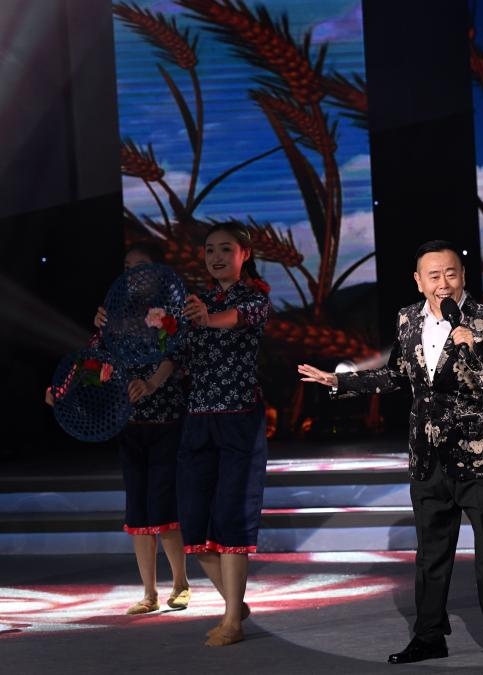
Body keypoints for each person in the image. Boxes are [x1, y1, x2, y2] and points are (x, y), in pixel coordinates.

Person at [298, 240, 483, 664]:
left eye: (451, 273)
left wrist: (471, 348)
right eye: (434, 276)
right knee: (431, 555)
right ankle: (429, 637)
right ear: (419, 281)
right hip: (427, 456)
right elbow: (396, 376)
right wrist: (340, 382)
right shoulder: (407, 319)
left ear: (463, 276)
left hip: (477, 458)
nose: (443, 283)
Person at [46, 241, 191, 615]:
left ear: (157, 273)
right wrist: (61, 391)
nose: (133, 274)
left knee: (163, 504)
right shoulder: (111, 316)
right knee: (137, 509)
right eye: (127, 267)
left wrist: (151, 384)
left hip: (166, 420)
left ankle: (180, 584)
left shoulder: (172, 312)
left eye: (141, 266)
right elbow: (91, 359)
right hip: (129, 423)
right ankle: (149, 593)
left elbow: (175, 356)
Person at [179, 222, 271, 647]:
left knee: (232, 518)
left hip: (239, 418)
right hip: (197, 419)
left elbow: (233, 320)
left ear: (244, 254)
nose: (216, 257)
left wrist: (206, 318)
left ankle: (232, 619)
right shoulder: (194, 302)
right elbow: (173, 353)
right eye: (210, 250)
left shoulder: (255, 298)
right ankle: (237, 604)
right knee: (193, 526)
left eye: (225, 249)